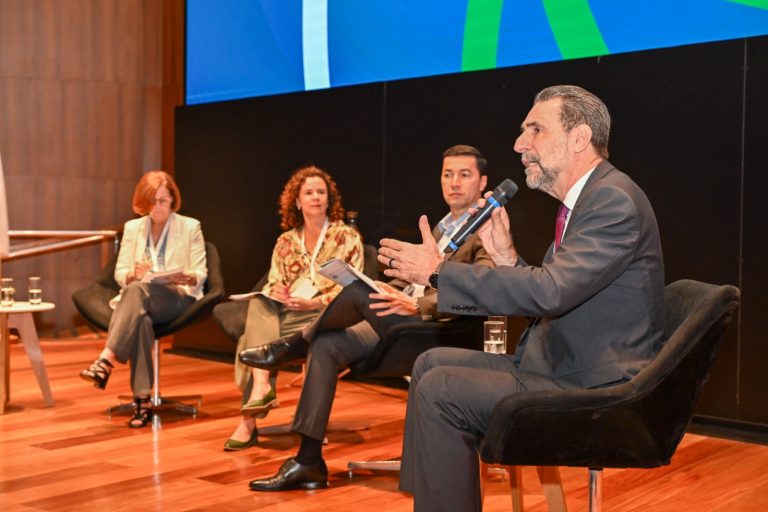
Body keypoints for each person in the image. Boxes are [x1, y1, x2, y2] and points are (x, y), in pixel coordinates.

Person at [378, 85, 666, 511]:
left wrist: (436, 271)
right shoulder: (587, 199)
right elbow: (560, 287)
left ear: (579, 138)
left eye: (534, 129)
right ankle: (429, 498)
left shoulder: (611, 201)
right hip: (564, 364)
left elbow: (550, 292)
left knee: (441, 388)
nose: (519, 144)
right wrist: (507, 258)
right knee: (430, 363)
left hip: (595, 386)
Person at [239, 145, 494, 491]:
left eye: (464, 175)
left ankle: (291, 346)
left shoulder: (488, 231)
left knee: (357, 295)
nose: (454, 183)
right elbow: (411, 279)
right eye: (447, 174)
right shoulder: (441, 226)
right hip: (401, 322)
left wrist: (420, 306)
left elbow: (485, 291)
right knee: (329, 342)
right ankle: (308, 461)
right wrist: (388, 289)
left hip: (437, 331)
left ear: (482, 182)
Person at [224, 165, 364, 451]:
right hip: (290, 314)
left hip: (327, 314)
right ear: (297, 202)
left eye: (321, 192)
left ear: (329, 199)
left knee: (247, 342)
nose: (315, 197)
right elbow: (275, 280)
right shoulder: (285, 241)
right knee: (261, 301)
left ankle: (248, 422)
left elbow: (353, 287)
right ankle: (261, 385)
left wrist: (315, 301)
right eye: (308, 193)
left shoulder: (346, 237)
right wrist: (278, 291)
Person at [79, 170, 207, 428]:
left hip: (176, 298)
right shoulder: (133, 228)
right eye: (152, 202)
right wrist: (132, 273)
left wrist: (186, 277)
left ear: (172, 200)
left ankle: (106, 358)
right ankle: (142, 400)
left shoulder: (190, 226)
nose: (158, 208)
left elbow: (201, 273)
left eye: (163, 201)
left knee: (136, 292)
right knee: (142, 319)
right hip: (141, 298)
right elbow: (119, 273)